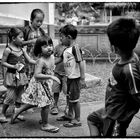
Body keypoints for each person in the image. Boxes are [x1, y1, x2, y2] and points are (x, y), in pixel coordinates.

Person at [87, 18, 140, 137]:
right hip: (110, 109)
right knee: (92, 119)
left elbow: (137, 95)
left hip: (117, 116)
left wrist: (125, 114)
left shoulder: (129, 70)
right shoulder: (131, 58)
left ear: (114, 48)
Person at [10, 36, 60, 133]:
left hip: (45, 83)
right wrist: (51, 77)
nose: (49, 47)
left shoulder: (52, 57)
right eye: (45, 46)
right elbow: (37, 75)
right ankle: (45, 124)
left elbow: (31, 61)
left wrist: (24, 52)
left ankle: (18, 110)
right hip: (40, 84)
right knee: (46, 104)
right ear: (39, 49)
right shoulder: (41, 61)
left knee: (36, 102)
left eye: (50, 45)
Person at [0, 27, 36, 122]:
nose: (23, 40)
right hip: (12, 76)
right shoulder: (8, 50)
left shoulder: (22, 49)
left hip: (22, 75)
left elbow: (29, 60)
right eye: (21, 37)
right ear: (13, 38)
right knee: (10, 96)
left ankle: (16, 112)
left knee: (20, 95)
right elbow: (3, 63)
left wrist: (39, 62)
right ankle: (2, 113)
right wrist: (13, 66)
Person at [56, 24, 86, 127]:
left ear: (68, 37)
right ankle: (69, 115)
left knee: (75, 99)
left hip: (75, 79)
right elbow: (59, 60)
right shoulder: (66, 49)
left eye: (62, 36)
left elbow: (81, 62)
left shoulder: (75, 48)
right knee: (69, 98)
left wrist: (82, 78)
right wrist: (47, 63)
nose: (60, 39)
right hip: (69, 78)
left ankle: (77, 119)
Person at [22, 8, 46, 81]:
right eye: (37, 21)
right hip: (28, 59)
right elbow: (20, 43)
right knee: (28, 78)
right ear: (31, 20)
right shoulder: (26, 30)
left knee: (38, 78)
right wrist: (30, 41)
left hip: (38, 58)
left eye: (41, 21)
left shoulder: (41, 31)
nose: (39, 23)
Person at [51, 43, 67, 115]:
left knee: (67, 92)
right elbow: (52, 56)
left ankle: (68, 107)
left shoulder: (71, 48)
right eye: (60, 35)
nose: (61, 38)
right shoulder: (57, 47)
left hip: (66, 74)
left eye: (62, 36)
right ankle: (54, 106)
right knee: (55, 90)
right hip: (57, 72)